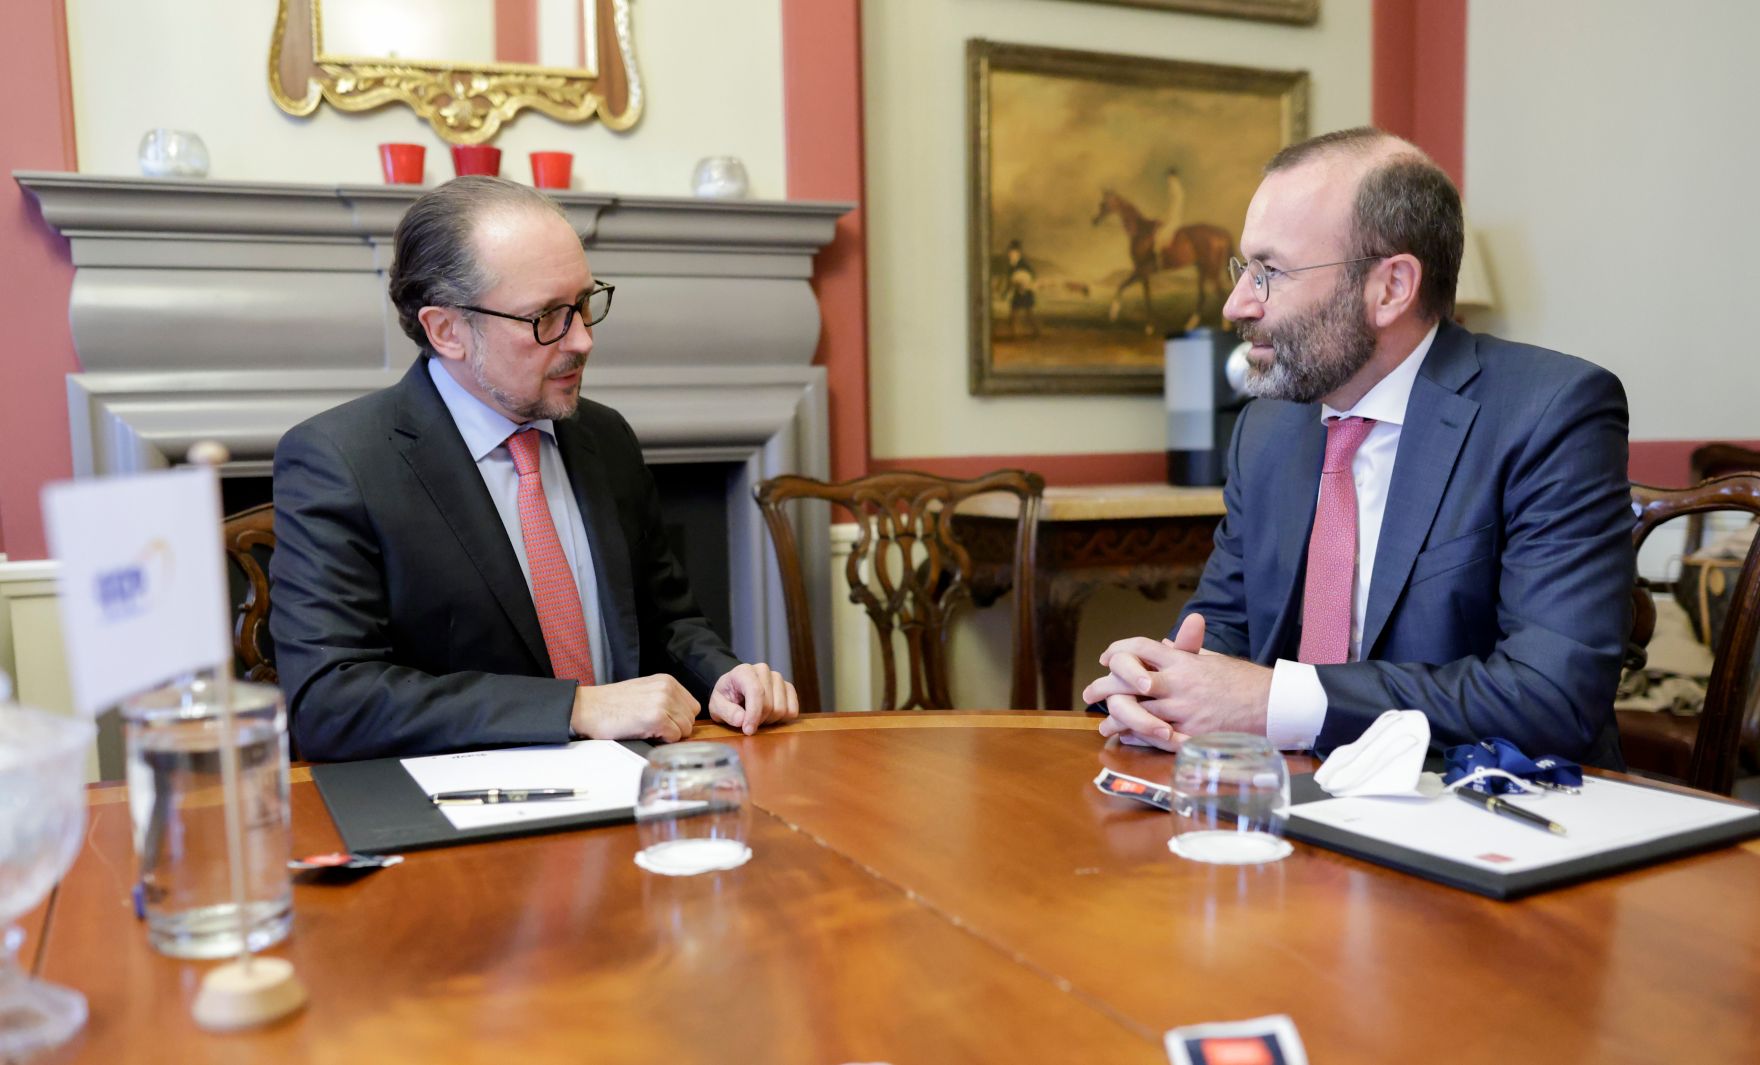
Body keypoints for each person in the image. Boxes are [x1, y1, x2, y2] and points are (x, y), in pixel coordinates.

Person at [1083, 128, 1633, 768]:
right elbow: (1225, 627)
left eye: (1270, 272)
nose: (1236, 303)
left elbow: (1550, 697)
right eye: (1244, 270)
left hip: (1479, 801)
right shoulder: (1267, 429)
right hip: (1282, 795)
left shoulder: (1549, 412)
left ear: (1391, 287)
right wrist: (1157, 680)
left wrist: (1275, 700)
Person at [270, 176, 799, 761]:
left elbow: (665, 620)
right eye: (547, 316)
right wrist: (573, 708)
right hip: (461, 802)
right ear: (447, 330)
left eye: (584, 303)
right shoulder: (342, 460)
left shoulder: (604, 437)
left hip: (631, 781)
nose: (583, 340)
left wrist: (721, 676)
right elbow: (330, 703)